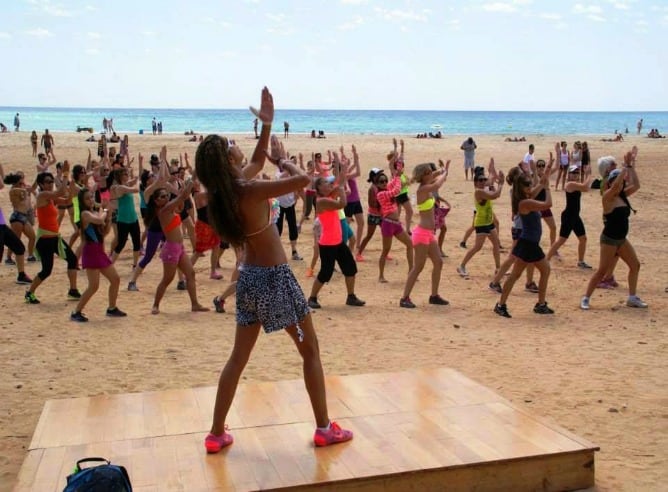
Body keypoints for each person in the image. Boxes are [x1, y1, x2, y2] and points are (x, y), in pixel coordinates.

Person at [195, 87, 353, 452]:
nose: (238, 146)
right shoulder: (248, 189)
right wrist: (285, 161)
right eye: (232, 144)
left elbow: (254, 158)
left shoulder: (225, 192)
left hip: (249, 279)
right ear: (227, 159)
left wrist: (266, 124)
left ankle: (216, 433)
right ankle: (324, 428)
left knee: (238, 358)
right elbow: (302, 182)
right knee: (310, 350)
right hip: (275, 279)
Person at [580, 149, 647, 310]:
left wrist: (631, 167)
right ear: (610, 182)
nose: (621, 183)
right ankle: (586, 298)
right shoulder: (607, 197)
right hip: (609, 240)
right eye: (617, 180)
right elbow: (617, 184)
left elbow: (636, 185)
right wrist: (625, 166)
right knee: (602, 271)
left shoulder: (622, 195)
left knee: (635, 265)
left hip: (621, 240)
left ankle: (632, 297)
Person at [494, 164, 554, 318]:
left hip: (529, 243)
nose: (530, 186)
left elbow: (538, 185)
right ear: (520, 187)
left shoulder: (526, 198)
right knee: (518, 275)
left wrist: (545, 175)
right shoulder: (525, 203)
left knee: (538, 271)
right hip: (528, 244)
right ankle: (502, 305)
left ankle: (539, 304)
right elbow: (548, 204)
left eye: (529, 184)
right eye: (527, 184)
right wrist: (547, 189)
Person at [307, 153, 366, 309]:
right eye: (325, 183)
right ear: (319, 188)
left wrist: (342, 166)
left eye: (328, 183)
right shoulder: (322, 201)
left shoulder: (328, 195)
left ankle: (351, 296)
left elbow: (339, 181)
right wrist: (340, 191)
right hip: (327, 243)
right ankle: (312, 298)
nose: (329, 184)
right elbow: (342, 205)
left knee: (350, 268)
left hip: (338, 242)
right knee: (325, 273)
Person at [146, 180, 209, 314]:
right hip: (171, 249)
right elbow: (182, 197)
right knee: (167, 279)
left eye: (166, 195)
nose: (166, 197)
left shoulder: (169, 207)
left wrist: (184, 189)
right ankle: (155, 305)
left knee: (190, 274)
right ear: (156, 201)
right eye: (162, 196)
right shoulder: (164, 210)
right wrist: (191, 183)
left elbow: (181, 199)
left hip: (178, 248)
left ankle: (195, 304)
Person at [24, 171, 80, 305]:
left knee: (72, 260)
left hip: (55, 238)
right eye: (47, 182)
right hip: (44, 240)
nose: (50, 184)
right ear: (41, 184)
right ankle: (29, 293)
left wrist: (71, 187)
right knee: (46, 270)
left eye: (51, 181)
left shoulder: (50, 198)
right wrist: (66, 175)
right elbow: (58, 193)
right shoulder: (42, 196)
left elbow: (66, 200)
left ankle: (73, 290)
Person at [70, 188, 127, 322]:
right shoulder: (85, 214)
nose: (90, 200)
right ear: (82, 201)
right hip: (91, 251)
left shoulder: (94, 213)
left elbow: (104, 231)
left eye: (91, 197)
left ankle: (112, 308)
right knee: (94, 286)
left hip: (99, 251)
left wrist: (108, 217)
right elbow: (99, 220)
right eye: (87, 198)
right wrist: (105, 211)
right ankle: (76, 311)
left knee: (115, 279)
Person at [400, 160, 450, 308]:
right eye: (428, 172)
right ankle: (404, 298)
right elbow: (436, 185)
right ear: (424, 176)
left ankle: (434, 296)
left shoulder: (427, 184)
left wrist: (442, 170)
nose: (431, 173)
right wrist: (444, 173)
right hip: (422, 234)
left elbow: (435, 176)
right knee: (418, 267)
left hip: (429, 233)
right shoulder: (423, 189)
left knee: (438, 262)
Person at [456, 161, 504, 279]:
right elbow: (495, 195)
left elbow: (491, 180)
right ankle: (462, 265)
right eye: (480, 180)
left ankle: (498, 268)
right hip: (481, 223)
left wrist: (492, 170)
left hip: (489, 222)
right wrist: (501, 184)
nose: (483, 181)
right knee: (477, 247)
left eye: (484, 179)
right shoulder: (479, 192)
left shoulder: (484, 188)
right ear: (476, 183)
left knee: (496, 244)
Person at [546, 166, 594, 268]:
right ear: (569, 175)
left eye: (577, 172)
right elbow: (586, 187)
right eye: (573, 173)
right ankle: (546, 260)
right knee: (561, 240)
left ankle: (581, 261)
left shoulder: (576, 184)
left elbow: (586, 187)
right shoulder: (570, 184)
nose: (576, 174)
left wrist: (586, 175)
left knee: (583, 239)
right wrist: (589, 174)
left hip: (575, 216)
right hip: (568, 216)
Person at [0, 164, 33, 285]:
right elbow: (2, 184)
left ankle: (21, 275)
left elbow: (2, 182)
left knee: (19, 248)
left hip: (1, 223)